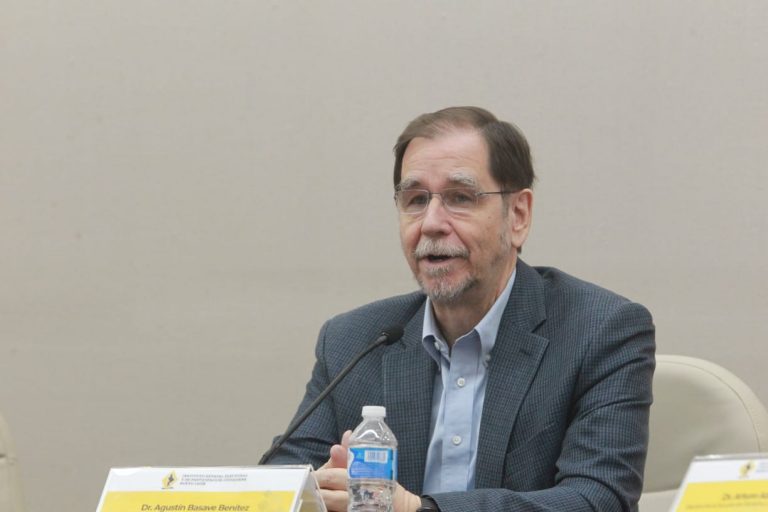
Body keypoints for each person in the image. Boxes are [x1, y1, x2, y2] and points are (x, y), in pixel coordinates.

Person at [266, 106, 655, 511]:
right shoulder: (353, 341)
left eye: (460, 198)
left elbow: (598, 499)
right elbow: (279, 482)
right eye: (416, 200)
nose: (431, 223)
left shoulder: (600, 330)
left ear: (518, 215)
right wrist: (314, 489)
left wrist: (417, 510)